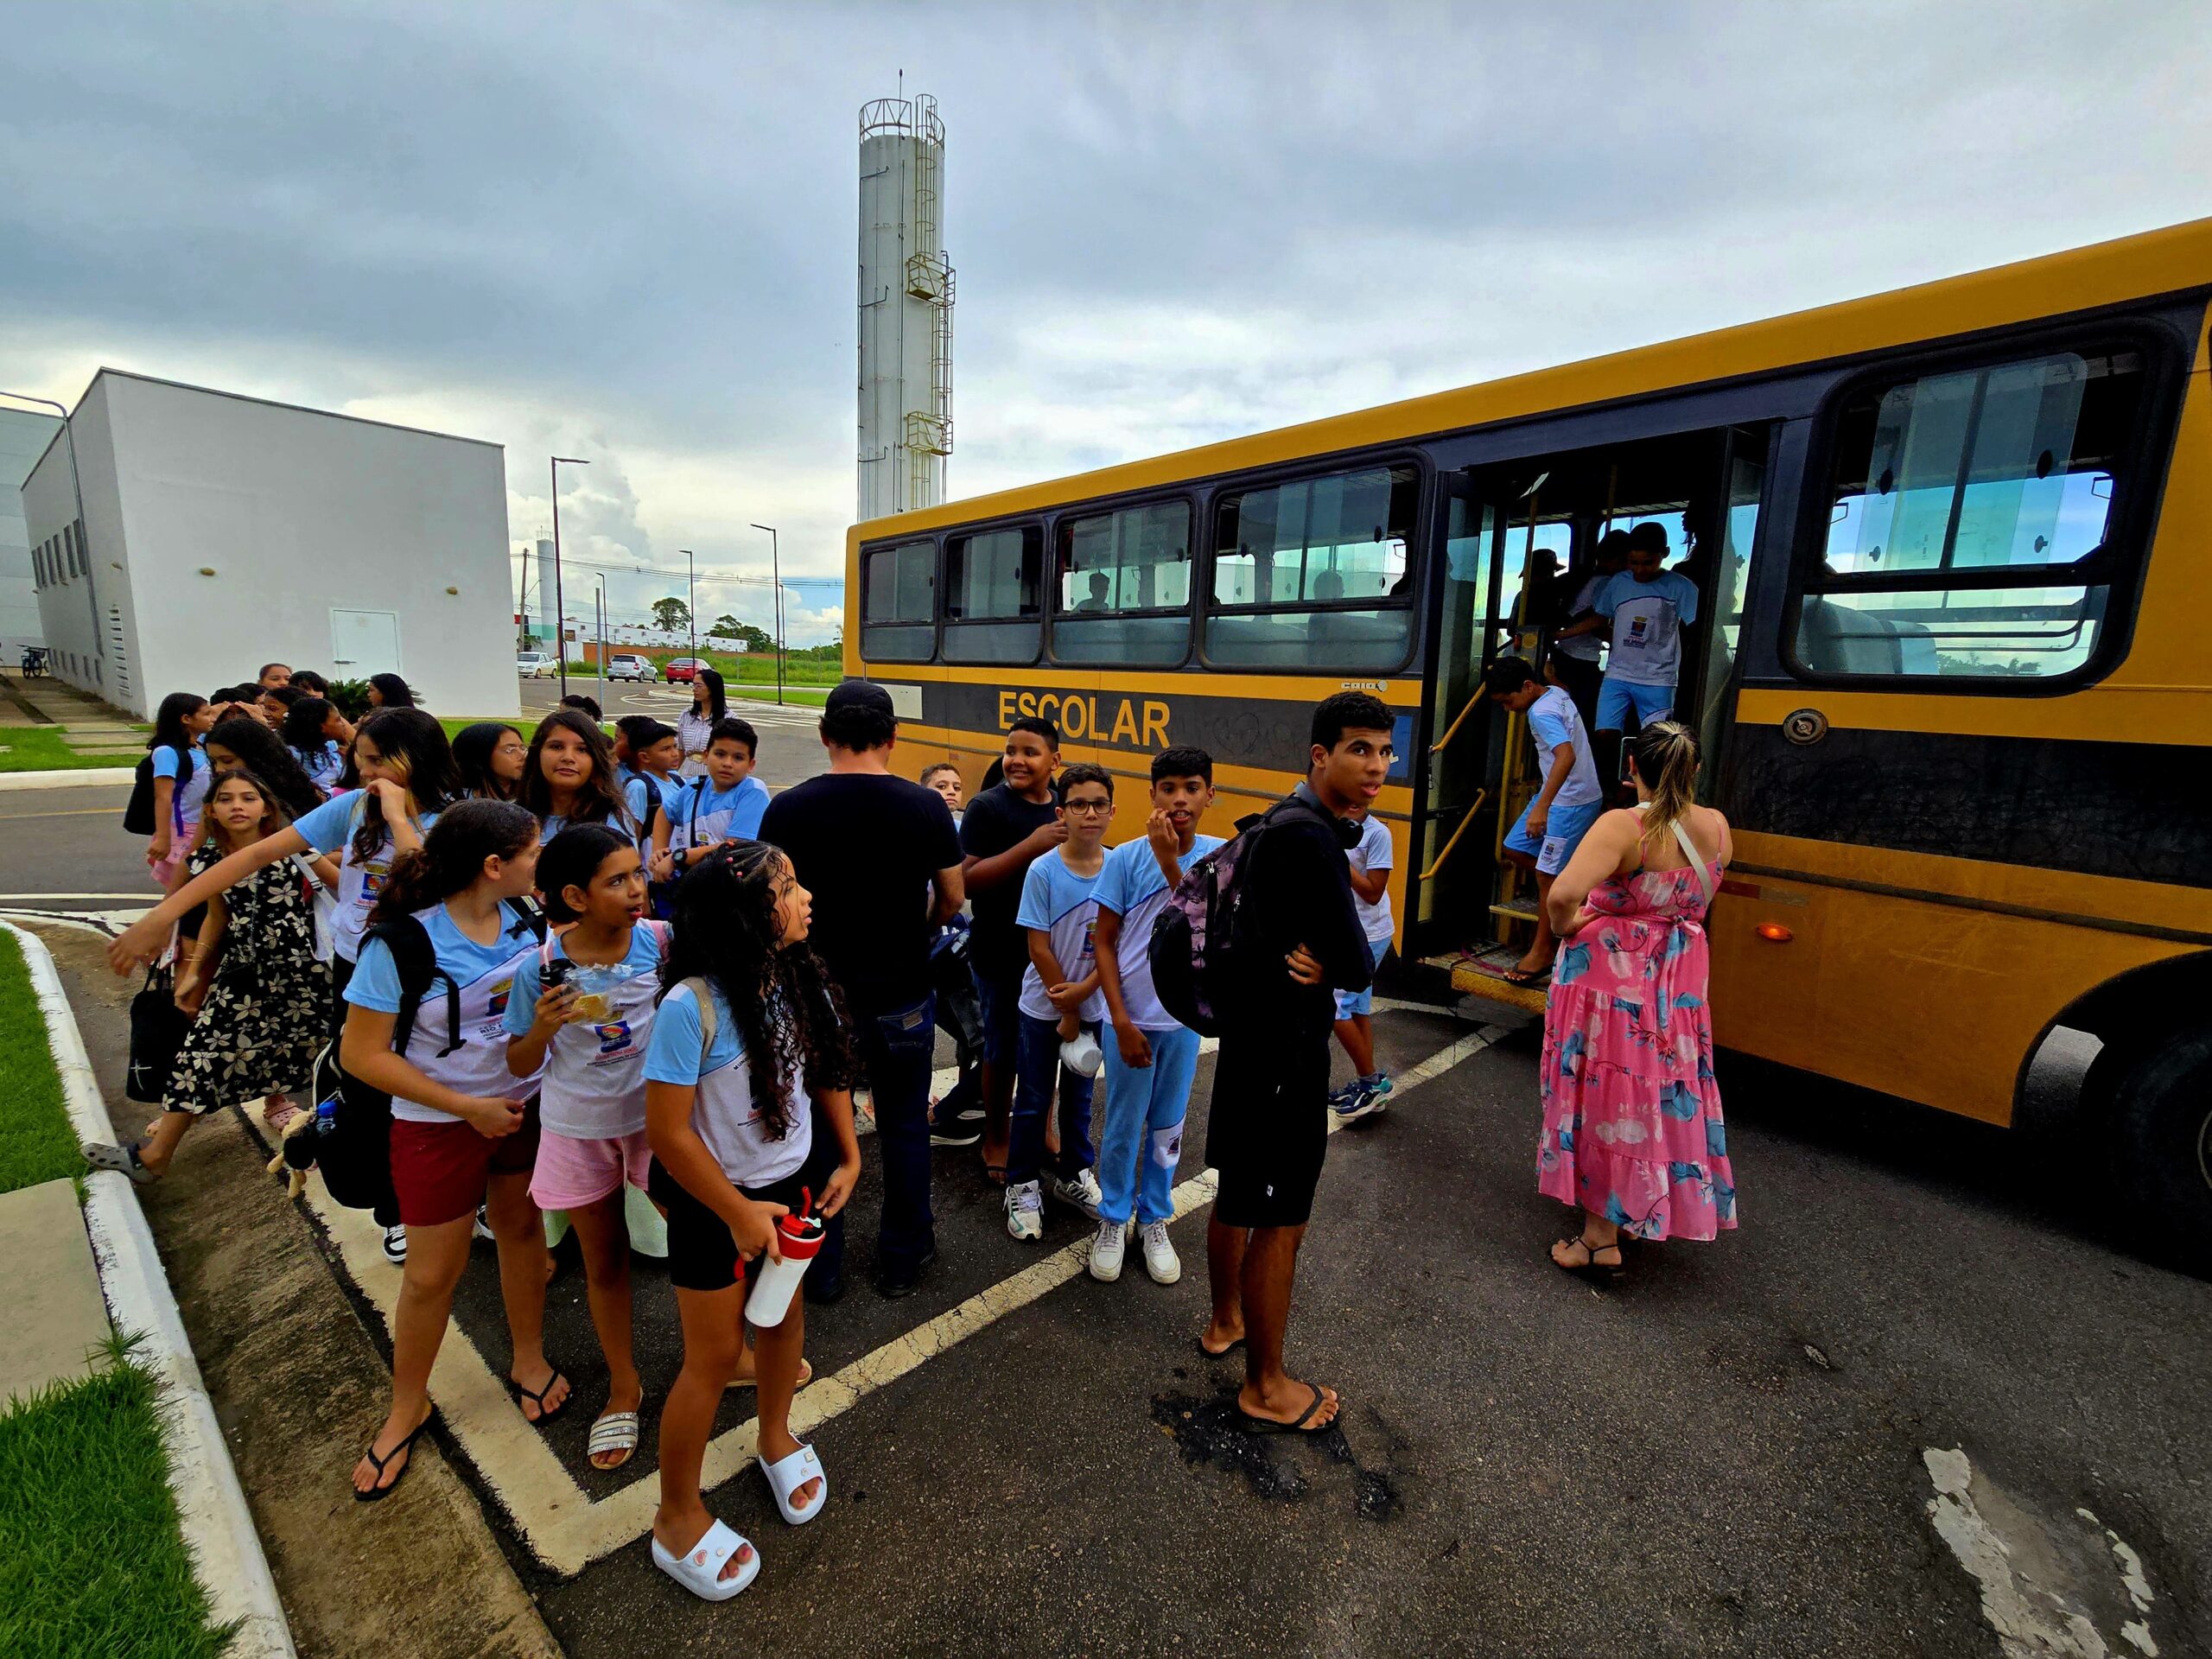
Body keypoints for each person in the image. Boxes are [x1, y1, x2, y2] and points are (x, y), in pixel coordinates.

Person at [105, 708, 459, 1267]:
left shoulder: (455, 818)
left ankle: (452, 1193)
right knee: (369, 1094)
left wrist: (397, 817)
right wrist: (162, 917)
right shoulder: (354, 807)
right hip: (359, 970)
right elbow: (253, 855)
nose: (366, 773)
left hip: (432, 980)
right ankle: (396, 1209)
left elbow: (427, 880)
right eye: (361, 760)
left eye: (376, 761)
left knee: (431, 1087)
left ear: (415, 758)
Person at [645, 842, 862, 1600]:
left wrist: (847, 1154)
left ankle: (774, 1435)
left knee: (783, 1322)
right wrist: (736, 1212)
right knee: (710, 1360)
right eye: (788, 887)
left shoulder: (796, 974)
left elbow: (826, 1068)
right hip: (716, 1205)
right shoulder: (690, 1006)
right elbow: (668, 1132)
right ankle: (676, 1516)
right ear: (743, 916)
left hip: (790, 1190)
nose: (806, 898)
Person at [340, 801, 563, 1500]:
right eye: (533, 852)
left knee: (523, 1231)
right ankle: (408, 1405)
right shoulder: (401, 944)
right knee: (433, 1274)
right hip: (437, 1125)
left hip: (525, 1108)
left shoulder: (526, 917)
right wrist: (466, 1108)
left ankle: (529, 1359)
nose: (542, 863)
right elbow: (361, 1054)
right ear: (494, 866)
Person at [1201, 692, 1385, 1432]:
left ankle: (1226, 1321)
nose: (1377, 766)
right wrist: (1335, 963)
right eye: (1359, 749)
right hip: (1284, 1054)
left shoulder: (1280, 819)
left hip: (1251, 1040)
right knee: (1280, 1221)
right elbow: (1360, 960)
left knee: (1240, 1195)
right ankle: (1265, 1385)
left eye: (1385, 751)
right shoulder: (1312, 839)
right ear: (1320, 755)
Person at [757, 680, 962, 1300]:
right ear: (893, 737)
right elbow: (952, 897)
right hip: (902, 994)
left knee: (820, 1132)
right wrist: (919, 929)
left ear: (825, 735)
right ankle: (903, 1256)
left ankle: (820, 1265)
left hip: (815, 999)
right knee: (905, 1124)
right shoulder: (925, 806)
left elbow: (768, 906)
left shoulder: (788, 809)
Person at [1537, 721, 1737, 1281]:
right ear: (1695, 770)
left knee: (1612, 1097)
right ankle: (1635, 1208)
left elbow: (1563, 894)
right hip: (1679, 984)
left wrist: (1567, 926)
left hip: (1613, 984)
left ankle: (1598, 1241)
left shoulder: (1625, 826)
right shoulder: (1717, 826)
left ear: (1632, 768)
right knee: (1660, 1091)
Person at [504, 826, 669, 1471]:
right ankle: (624, 1385)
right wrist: (541, 1029)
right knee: (604, 1263)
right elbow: (518, 1061)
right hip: (579, 1128)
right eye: (617, 881)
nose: (636, 890)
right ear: (575, 896)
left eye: (638, 874)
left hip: (659, 1125)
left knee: (702, 1243)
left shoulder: (661, 942)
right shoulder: (541, 967)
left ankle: (729, 1353)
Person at [83, 769, 337, 1181]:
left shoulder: (295, 849)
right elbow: (216, 919)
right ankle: (155, 1158)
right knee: (200, 1056)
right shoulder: (206, 861)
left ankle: (334, 1144)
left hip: (305, 974)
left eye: (248, 798)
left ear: (266, 808)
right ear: (211, 811)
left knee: (331, 1059)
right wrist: (195, 971)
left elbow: (345, 890)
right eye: (226, 799)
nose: (237, 806)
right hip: (243, 978)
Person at [1089, 747, 1219, 1284]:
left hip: (1181, 1023)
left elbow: (1208, 931)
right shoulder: (1124, 858)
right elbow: (1104, 943)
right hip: (1130, 1021)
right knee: (1123, 1125)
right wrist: (1120, 1021)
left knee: (1168, 1125)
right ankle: (1113, 1216)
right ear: (1152, 795)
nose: (1180, 799)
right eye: (1168, 788)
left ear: (1211, 794)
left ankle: (1154, 1217)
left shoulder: (1220, 857)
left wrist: (1171, 864)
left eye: (1192, 787)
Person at [1004, 764, 1112, 1241]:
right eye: (1078, 804)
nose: (1089, 813)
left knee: (1080, 1098)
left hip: (1093, 1005)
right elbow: (1038, 948)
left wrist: (1085, 997)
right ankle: (1022, 1184)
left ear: (1112, 810)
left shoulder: (1118, 867)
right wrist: (1067, 1010)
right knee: (1032, 1098)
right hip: (1043, 1008)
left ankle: (1073, 1174)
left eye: (1098, 804)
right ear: (1061, 812)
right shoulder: (1044, 869)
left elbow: (1115, 944)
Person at [958, 717, 1064, 1180]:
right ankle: (997, 1135)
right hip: (999, 949)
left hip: (1051, 951)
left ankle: (1041, 1125)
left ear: (1054, 761)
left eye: (1030, 752)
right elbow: (967, 880)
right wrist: (1031, 846)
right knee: (1001, 1049)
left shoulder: (1062, 805)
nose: (1017, 760)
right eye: (1010, 750)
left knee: (1047, 1045)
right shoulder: (988, 806)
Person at [1488, 655, 1606, 986]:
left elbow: (1565, 756)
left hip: (1569, 801)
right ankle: (1571, 883)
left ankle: (1542, 952)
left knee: (1546, 876)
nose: (1507, 709)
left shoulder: (1540, 713)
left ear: (1528, 686)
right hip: (1560, 794)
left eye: (1508, 701)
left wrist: (1542, 806)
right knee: (1514, 847)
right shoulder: (1555, 692)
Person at [1580, 522, 1700, 783]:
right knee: (1604, 733)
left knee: (1654, 740)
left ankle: (1641, 785)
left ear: (1664, 554)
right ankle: (1613, 783)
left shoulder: (1681, 587)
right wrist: (1561, 635)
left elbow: (1697, 630)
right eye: (1633, 562)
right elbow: (1600, 619)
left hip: (1659, 677)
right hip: (1618, 674)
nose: (1640, 570)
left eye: (1647, 563)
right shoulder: (1618, 584)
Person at [918, 762, 983, 1143]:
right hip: (934, 948)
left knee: (973, 1034)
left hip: (952, 943)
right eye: (941, 785)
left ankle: (967, 1099)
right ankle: (941, 1116)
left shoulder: (962, 830)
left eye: (956, 786)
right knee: (984, 1041)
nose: (951, 792)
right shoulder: (918, 830)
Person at [1326, 804, 1398, 1122]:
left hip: (1368, 935)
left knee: (1335, 1006)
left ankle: (1370, 1083)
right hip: (1347, 930)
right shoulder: (1329, 824)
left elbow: (1373, 892)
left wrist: (1338, 860)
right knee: (1357, 1009)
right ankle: (1370, 1082)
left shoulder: (1377, 834)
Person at [658, 717, 770, 880]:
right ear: (706, 755)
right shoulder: (694, 786)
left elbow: (735, 848)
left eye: (738, 758)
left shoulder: (752, 791)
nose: (727, 763)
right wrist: (660, 852)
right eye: (720, 754)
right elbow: (664, 813)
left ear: (751, 765)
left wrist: (679, 857)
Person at [1550, 530, 1629, 740]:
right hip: (1579, 660)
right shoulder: (1605, 583)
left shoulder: (1587, 579)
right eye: (1622, 561)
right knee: (1581, 719)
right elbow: (1598, 621)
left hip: (1570, 656)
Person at [521, 709, 638, 842]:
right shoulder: (513, 816)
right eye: (557, 747)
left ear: (596, 760)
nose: (568, 758)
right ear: (537, 754)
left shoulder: (612, 822)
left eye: (582, 750)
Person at [143, 692, 216, 888]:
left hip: (206, 829)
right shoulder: (167, 752)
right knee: (184, 889)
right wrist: (163, 838)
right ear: (186, 719)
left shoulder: (201, 747)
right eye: (206, 714)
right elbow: (163, 796)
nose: (212, 718)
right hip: (183, 831)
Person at [202, 715, 325, 822]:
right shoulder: (214, 801)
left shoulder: (293, 800)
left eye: (227, 761)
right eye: (213, 762)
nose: (218, 769)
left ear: (256, 758)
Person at [282, 696, 348, 792]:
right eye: (338, 720)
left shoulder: (332, 746)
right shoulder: (293, 756)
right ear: (321, 726)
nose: (343, 724)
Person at [454, 721, 529, 803]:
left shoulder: (533, 796)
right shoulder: (456, 802)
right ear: (481, 755)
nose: (523, 756)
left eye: (522, 748)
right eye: (509, 750)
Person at [676, 667, 727, 779]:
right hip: (687, 777)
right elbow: (680, 749)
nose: (694, 689)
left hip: (713, 778)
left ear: (712, 688)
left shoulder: (728, 718)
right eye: (693, 685)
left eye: (699, 686)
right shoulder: (686, 715)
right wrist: (671, 776)